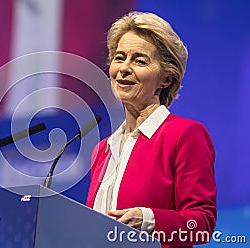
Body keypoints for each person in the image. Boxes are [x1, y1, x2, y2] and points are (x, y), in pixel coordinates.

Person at [86, 12, 216, 247]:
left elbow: (202, 225)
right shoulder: (102, 149)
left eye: (139, 60)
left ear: (165, 79)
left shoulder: (185, 135)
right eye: (119, 57)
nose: (124, 68)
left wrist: (149, 219)